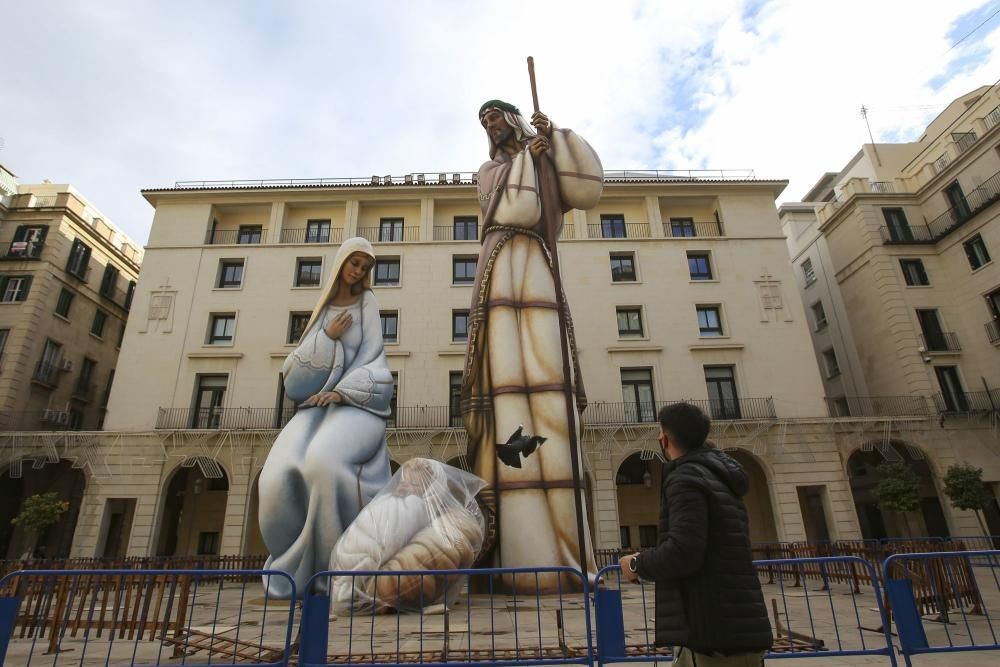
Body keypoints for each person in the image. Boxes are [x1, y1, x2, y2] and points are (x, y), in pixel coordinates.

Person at [461, 99, 603, 591]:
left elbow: (586, 190)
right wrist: (529, 159)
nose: (490, 123)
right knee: (509, 388)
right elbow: (512, 207)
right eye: (483, 120)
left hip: (538, 268)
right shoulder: (488, 170)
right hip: (503, 266)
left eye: (495, 114)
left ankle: (566, 547)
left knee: (549, 383)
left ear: (515, 118)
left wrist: (556, 135)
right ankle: (520, 549)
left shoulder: (539, 158)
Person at [258, 237, 394, 598]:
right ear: (342, 263)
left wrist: (342, 392)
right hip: (316, 408)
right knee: (278, 473)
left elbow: (374, 358)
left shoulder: (368, 302)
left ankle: (340, 571)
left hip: (357, 403)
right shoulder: (323, 312)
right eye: (355, 263)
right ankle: (295, 564)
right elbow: (295, 376)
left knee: (324, 463)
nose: (359, 271)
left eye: (365, 267)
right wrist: (327, 338)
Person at [618, 403, 772, 666]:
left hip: (712, 632)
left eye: (660, 433)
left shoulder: (686, 478)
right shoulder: (720, 476)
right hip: (732, 626)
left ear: (666, 439)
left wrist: (637, 563)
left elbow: (683, 551)